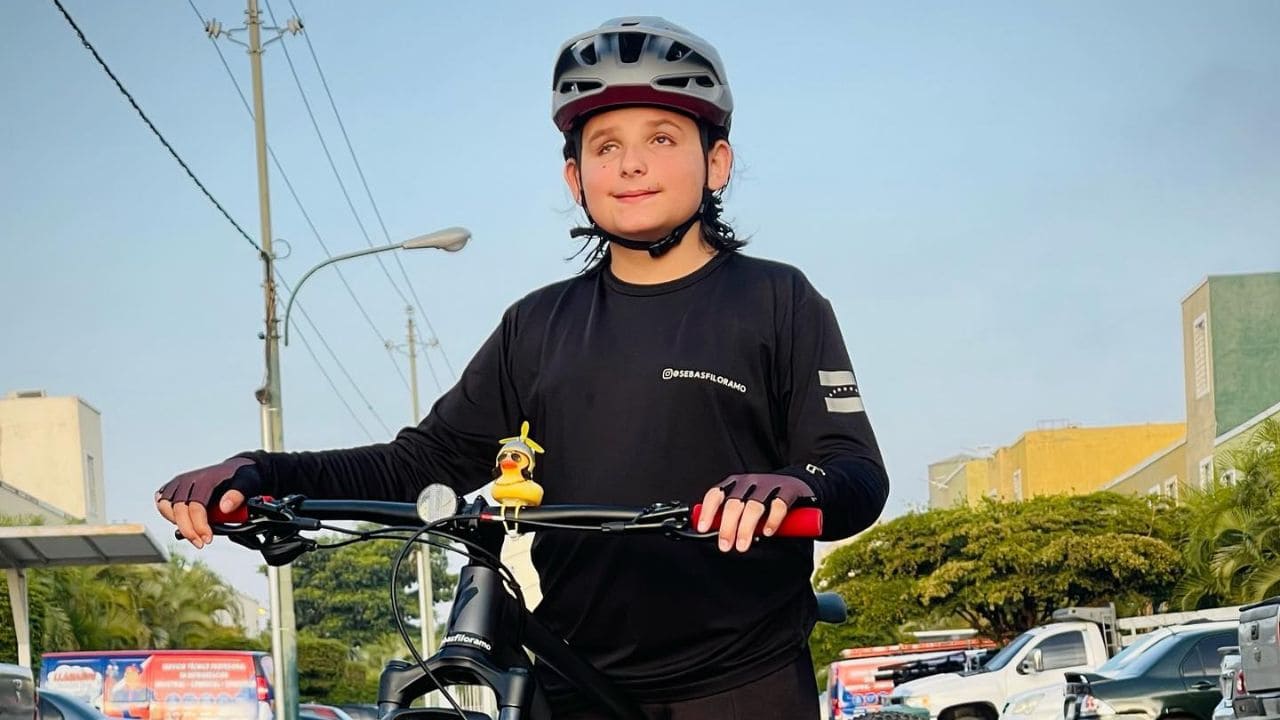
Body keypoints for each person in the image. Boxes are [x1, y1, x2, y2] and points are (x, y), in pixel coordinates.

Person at [156, 16, 889, 719]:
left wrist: (794, 485)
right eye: (604, 147)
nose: (630, 163)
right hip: (576, 674)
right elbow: (423, 463)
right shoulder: (537, 326)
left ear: (717, 162)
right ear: (575, 177)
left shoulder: (777, 299)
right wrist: (260, 472)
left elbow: (854, 472)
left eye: (662, 138)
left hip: (741, 679)